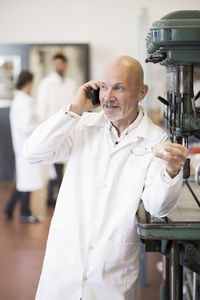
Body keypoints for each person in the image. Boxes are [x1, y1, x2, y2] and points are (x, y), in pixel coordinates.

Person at [23, 56, 188, 299]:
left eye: (119, 88)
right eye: (103, 86)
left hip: (111, 274)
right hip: (64, 268)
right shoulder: (82, 125)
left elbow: (158, 207)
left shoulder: (155, 140)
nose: (108, 96)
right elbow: (33, 153)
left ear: (142, 92)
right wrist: (74, 109)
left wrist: (172, 171)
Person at [36, 53, 77, 207]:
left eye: (61, 64)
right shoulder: (46, 83)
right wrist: (45, 127)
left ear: (65, 65)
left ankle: (55, 196)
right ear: (54, 65)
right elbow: (41, 107)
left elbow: (74, 104)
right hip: (52, 126)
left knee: (62, 162)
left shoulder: (71, 83)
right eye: (56, 64)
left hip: (67, 126)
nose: (58, 66)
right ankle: (53, 196)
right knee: (53, 161)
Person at [4, 70, 43, 223]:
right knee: (27, 180)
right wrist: (41, 126)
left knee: (24, 180)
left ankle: (9, 209)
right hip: (27, 145)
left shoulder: (19, 100)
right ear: (29, 83)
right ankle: (25, 212)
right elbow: (27, 126)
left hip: (22, 146)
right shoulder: (24, 101)